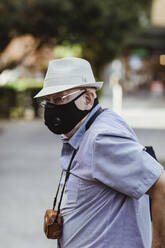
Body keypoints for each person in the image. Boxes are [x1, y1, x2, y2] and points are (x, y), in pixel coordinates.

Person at [34, 57, 165, 248]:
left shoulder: (100, 139)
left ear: (87, 98)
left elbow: (161, 186)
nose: (52, 108)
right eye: (48, 101)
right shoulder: (91, 129)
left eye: (60, 99)